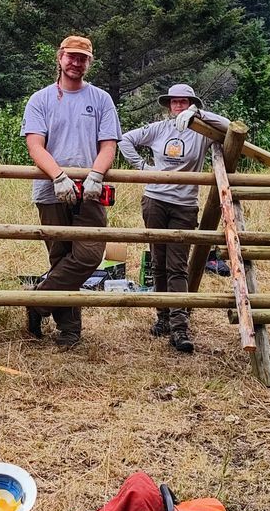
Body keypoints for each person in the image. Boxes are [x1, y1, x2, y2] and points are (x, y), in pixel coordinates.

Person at [21, 35, 121, 348]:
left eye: (82, 58)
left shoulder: (101, 99)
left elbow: (108, 146)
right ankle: (69, 330)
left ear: (89, 62)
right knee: (60, 257)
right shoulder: (41, 99)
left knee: (89, 254)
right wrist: (58, 176)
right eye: (71, 56)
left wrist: (96, 174)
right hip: (51, 190)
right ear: (60, 57)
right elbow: (35, 145)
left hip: (90, 191)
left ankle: (38, 303)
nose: (76, 63)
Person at [118, 83, 229, 354]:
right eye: (175, 102)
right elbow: (124, 140)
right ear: (169, 105)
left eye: (184, 102)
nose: (178, 106)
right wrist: (143, 168)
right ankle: (163, 317)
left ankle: (180, 326)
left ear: (192, 104)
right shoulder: (160, 128)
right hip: (155, 201)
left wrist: (199, 115)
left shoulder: (202, 131)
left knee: (177, 265)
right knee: (158, 262)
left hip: (184, 205)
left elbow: (230, 128)